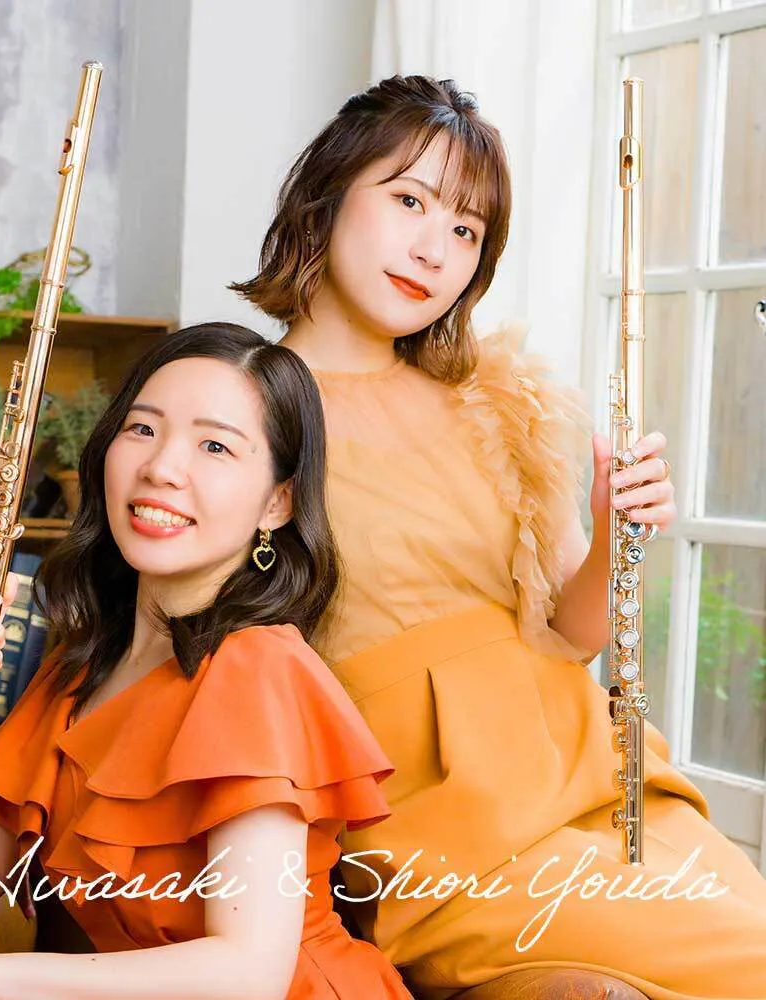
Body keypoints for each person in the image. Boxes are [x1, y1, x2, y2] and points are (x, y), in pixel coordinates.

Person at [231, 75, 766, 999]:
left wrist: (617, 532)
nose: (434, 249)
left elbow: (569, 633)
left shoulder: (498, 401)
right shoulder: (241, 404)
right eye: (410, 201)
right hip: (441, 823)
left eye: (467, 230)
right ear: (327, 193)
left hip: (593, 781)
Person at [0, 323, 413, 1000]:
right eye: (143, 428)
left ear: (277, 502)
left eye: (215, 445)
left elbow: (249, 973)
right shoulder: (81, 664)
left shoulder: (259, 669)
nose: (161, 468)